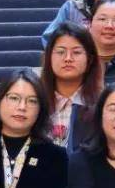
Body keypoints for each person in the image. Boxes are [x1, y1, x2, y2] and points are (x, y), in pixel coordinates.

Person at [41, 22, 103, 150]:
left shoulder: (103, 103)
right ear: (49, 57)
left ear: (90, 60)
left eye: (76, 52)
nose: (68, 58)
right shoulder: (35, 101)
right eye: (60, 52)